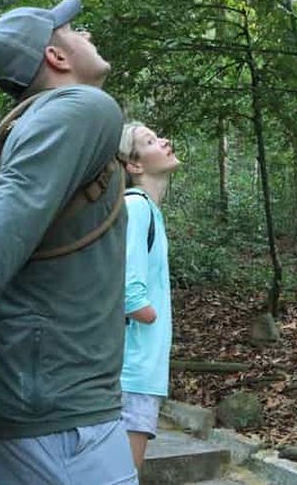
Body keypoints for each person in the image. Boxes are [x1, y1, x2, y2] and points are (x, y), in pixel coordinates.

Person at [0, 0, 137, 484]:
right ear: (56, 56)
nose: (86, 34)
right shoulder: (85, 108)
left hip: (36, 399)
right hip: (55, 411)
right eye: (73, 31)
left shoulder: (32, 126)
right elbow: (10, 210)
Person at [117, 121, 180, 470]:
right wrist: (150, 315)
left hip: (140, 368)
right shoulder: (137, 205)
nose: (165, 141)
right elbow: (129, 290)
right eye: (151, 141)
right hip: (133, 367)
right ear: (134, 164)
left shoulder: (149, 210)